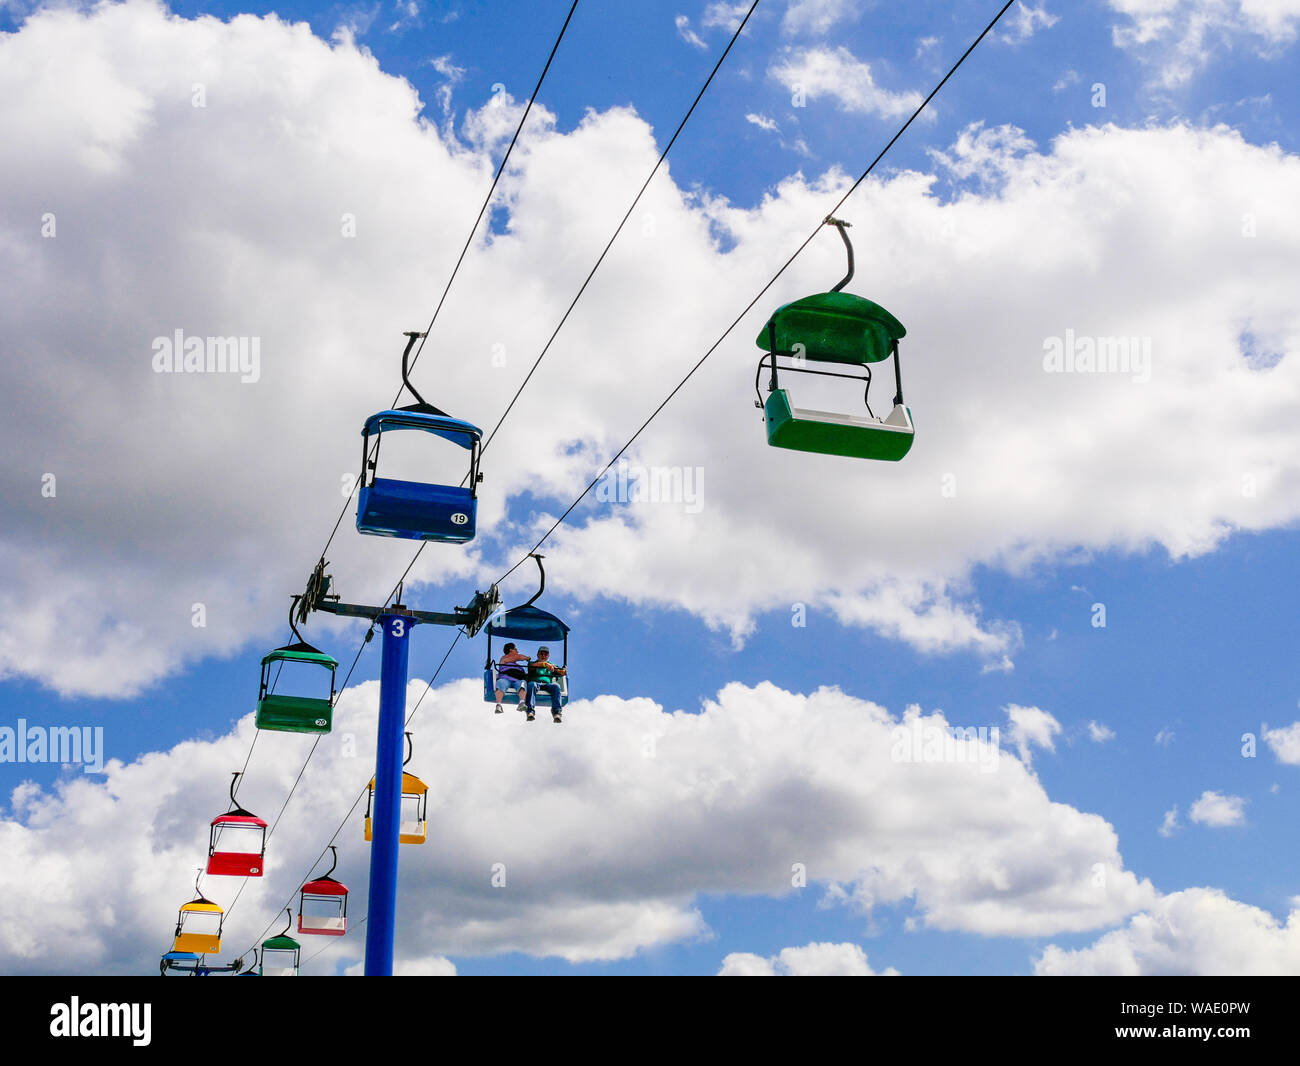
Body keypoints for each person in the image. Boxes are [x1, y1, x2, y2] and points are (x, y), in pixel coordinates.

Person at [526, 646, 567, 723]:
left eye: (545, 654)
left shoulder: (551, 665)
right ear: (538, 655)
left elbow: (561, 672)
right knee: (531, 685)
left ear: (548, 656)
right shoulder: (533, 663)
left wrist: (562, 670)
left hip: (547, 685)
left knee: (556, 686)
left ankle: (557, 712)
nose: (543, 656)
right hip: (536, 683)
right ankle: (530, 711)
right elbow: (533, 666)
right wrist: (545, 665)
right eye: (541, 654)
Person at [493, 642, 530, 714]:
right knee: (501, 683)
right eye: (516, 649)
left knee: (523, 683)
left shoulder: (518, 666)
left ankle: (522, 702)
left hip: (517, 680)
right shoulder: (504, 658)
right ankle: (498, 705)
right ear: (511, 650)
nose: (517, 651)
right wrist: (527, 658)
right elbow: (518, 657)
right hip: (506, 678)